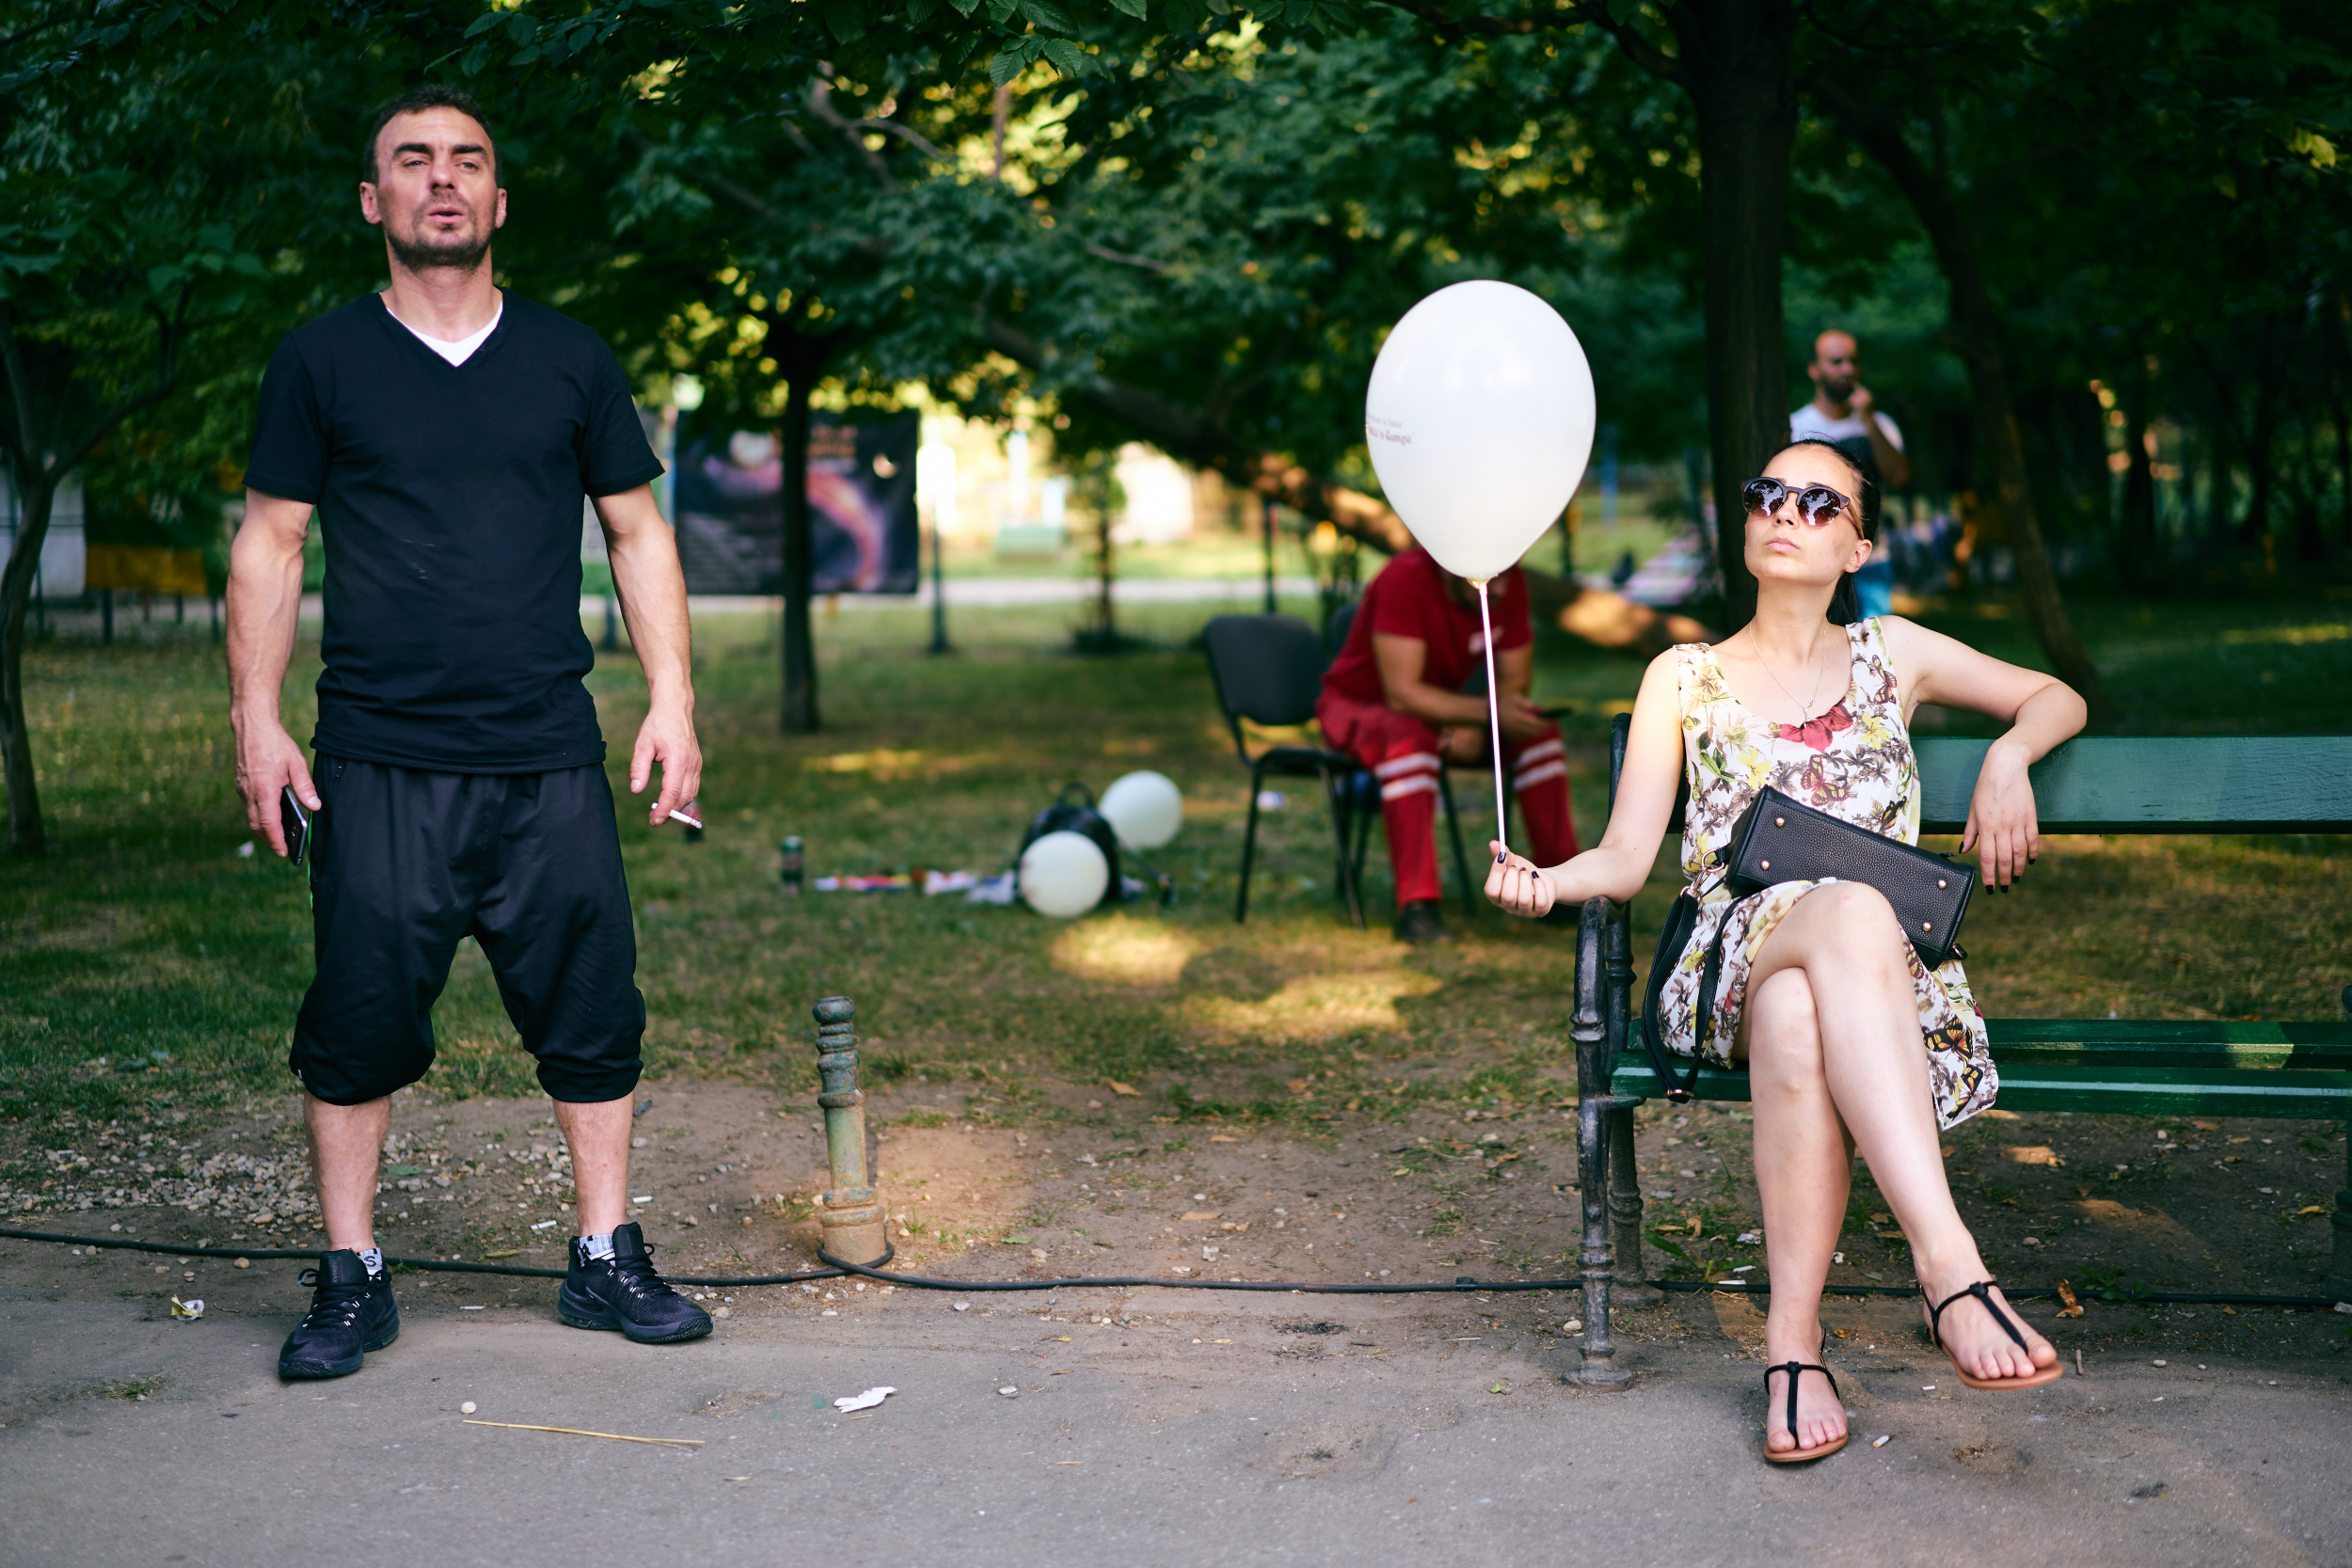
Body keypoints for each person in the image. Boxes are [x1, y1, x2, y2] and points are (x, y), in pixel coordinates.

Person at [228, 86, 711, 1381]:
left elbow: (637, 532)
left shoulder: (570, 357)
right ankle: (352, 1273)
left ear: (499, 198)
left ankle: (604, 1253)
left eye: (468, 161)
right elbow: (271, 540)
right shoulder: (321, 359)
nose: (442, 179)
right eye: (413, 160)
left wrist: (672, 699)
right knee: (356, 1019)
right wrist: (257, 722)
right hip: (379, 757)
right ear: (372, 198)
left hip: (547, 752)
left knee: (593, 1012)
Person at [1486, 438, 2083, 1462]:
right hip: (1726, 958)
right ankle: (1948, 1265)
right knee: (1848, 910)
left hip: (1876, 990)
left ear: (1859, 546)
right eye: (1768, 494)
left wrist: (2008, 756)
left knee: (1804, 1012)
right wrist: (1548, 879)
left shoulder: (1895, 652)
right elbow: (1626, 857)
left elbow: (2057, 695)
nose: (1784, 512)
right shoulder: (1684, 675)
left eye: (1817, 502)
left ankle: (1792, 1348)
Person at [1319, 544, 1579, 944]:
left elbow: (1513, 683)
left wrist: (1478, 720)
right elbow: (1401, 694)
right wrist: (1482, 714)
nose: (1502, 589)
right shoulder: (1404, 577)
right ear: (1449, 567)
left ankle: (1559, 890)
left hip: (1442, 707)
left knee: (1537, 729)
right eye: (1490, 580)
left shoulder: (1506, 580)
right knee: (1408, 741)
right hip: (1363, 706)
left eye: (1509, 574)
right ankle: (1417, 906)